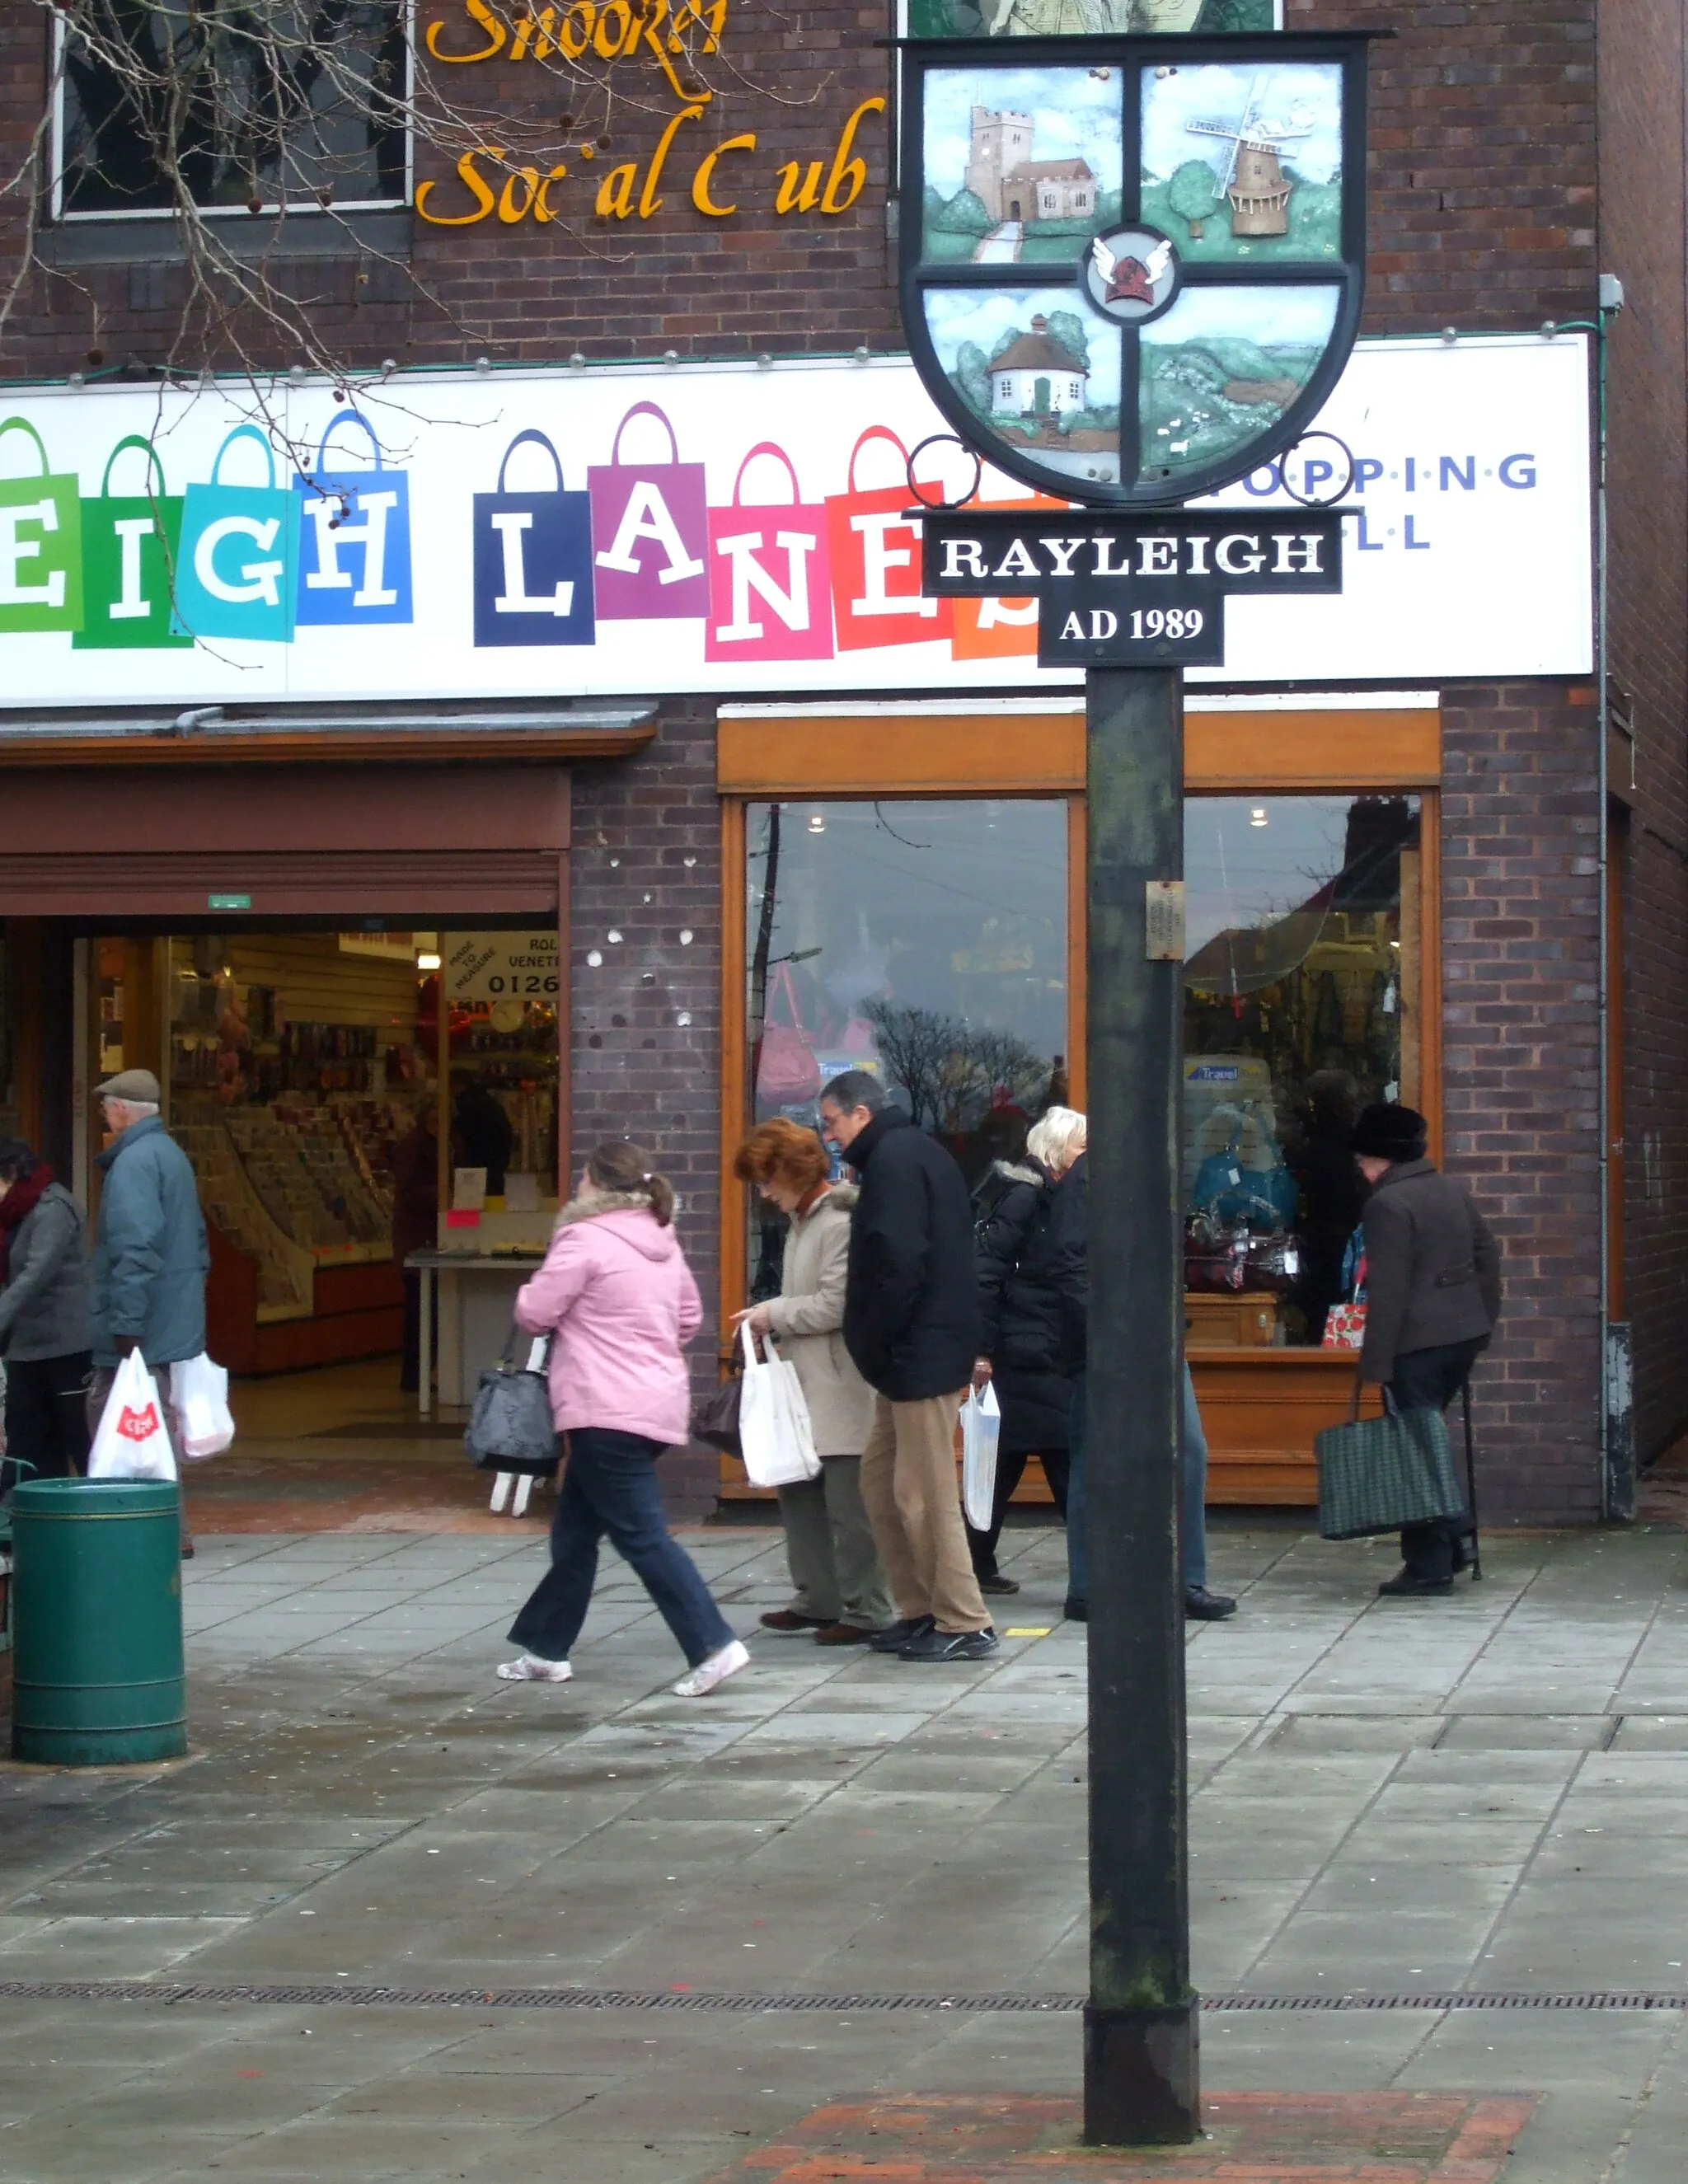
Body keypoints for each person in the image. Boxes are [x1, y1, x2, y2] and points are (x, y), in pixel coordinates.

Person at [499, 1137, 748, 1698]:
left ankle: (713, 1643)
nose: (577, 1187)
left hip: (602, 1408)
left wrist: (527, 1291)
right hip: (653, 1403)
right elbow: (689, 1318)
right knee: (575, 1531)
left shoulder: (583, 1239)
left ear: (596, 1185)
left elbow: (536, 1314)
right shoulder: (663, 1239)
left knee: (643, 1537)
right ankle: (545, 1650)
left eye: (583, 1178)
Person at [816, 1070, 996, 1662]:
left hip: (918, 1350)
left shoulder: (894, 1162)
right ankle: (921, 1611)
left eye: (832, 1122)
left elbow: (897, 1262)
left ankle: (965, 1620)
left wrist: (873, 1336)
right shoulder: (909, 1152)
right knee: (881, 1482)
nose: (829, 1136)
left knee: (922, 1492)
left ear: (861, 1114)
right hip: (914, 1351)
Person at [1055, 1149, 1237, 1623]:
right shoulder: (1089, 1176)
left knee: (1189, 1450)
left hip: (1158, 1337)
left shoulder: (1159, 1167)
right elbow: (1071, 1264)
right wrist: (1105, 1333)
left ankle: (1185, 1578)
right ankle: (1089, 1585)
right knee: (1095, 1456)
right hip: (1106, 1344)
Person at [732, 1118, 893, 1645]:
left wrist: (771, 1315)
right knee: (798, 1493)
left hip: (841, 1381)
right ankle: (818, 1598)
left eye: (767, 1179)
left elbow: (836, 1304)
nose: (764, 1192)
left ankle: (866, 1608)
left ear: (793, 1172)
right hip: (806, 1380)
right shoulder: (806, 1223)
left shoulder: (837, 1225)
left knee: (849, 1506)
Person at [1352, 1102, 1502, 1597]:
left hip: (1414, 1345)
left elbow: (1389, 1292)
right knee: (1423, 1441)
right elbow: (1487, 1256)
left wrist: (1373, 1364)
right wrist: (1481, 1318)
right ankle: (1436, 1557)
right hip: (1460, 1336)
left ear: (1381, 1158)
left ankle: (1448, 1539)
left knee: (1415, 1450)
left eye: (1364, 1160)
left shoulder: (1387, 1205)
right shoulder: (1449, 1190)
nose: (1361, 1169)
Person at [86, 1070, 211, 1557]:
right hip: (170, 1316)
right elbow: (198, 1244)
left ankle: (152, 1528)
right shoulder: (170, 1155)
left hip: (145, 1323)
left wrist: (126, 1325)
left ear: (120, 1109)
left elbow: (134, 1249)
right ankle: (160, 1527)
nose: (103, 1116)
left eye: (105, 1108)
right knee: (149, 1421)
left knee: (121, 1417)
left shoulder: (134, 1164)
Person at [967, 1106, 1088, 1594]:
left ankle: (975, 1565)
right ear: (1059, 1151)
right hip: (1028, 1352)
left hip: (1034, 1348)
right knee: (1064, 1461)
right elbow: (986, 1274)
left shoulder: (1048, 1195)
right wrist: (981, 1350)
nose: (1089, 1156)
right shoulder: (1027, 1198)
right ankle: (1097, 1571)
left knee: (1004, 1464)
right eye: (1082, 1147)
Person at [0, 1139, 92, 1485]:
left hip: (65, 1345)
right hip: (25, 1345)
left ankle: (97, 1512)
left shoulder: (53, 1207)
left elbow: (34, 1275)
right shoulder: (13, 1214)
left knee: (77, 1435)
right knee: (26, 1436)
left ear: (11, 1173)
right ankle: (24, 1518)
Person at [390, 1103, 439, 1394]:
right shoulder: (415, 1148)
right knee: (419, 1312)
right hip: (418, 1240)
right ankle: (414, 1375)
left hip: (426, 1237)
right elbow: (407, 1194)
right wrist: (443, 1194)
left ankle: (423, 1372)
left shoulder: (441, 1145)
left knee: (426, 1311)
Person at [452, 1069, 514, 1196]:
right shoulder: (490, 1101)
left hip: (476, 1165)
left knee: (472, 1204)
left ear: (456, 1085)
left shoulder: (464, 1105)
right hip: (496, 1163)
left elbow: (463, 1138)